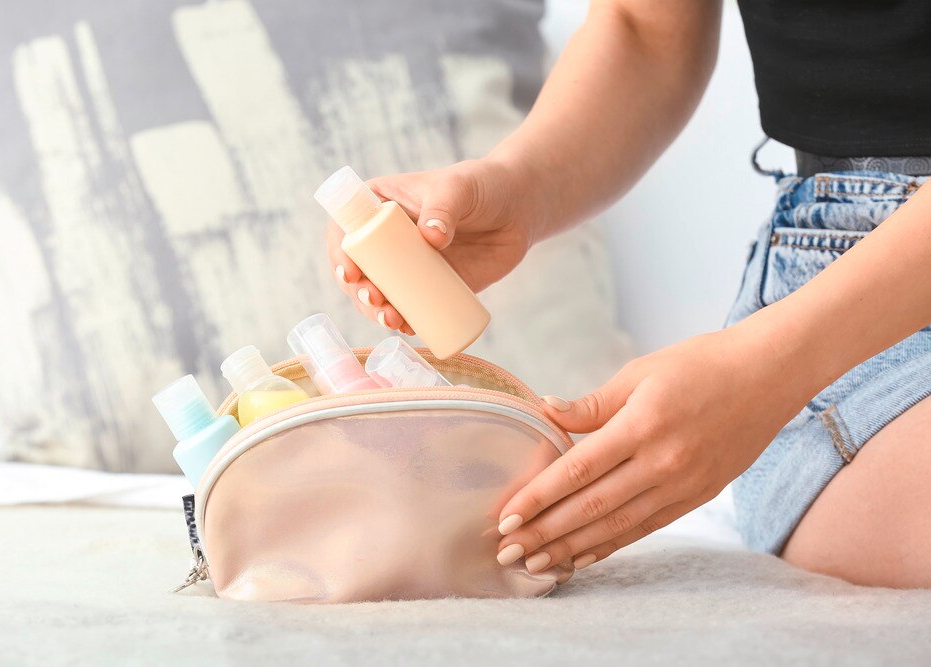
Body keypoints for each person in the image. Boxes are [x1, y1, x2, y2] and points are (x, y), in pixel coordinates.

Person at [324, 0, 931, 588]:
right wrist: (522, 186)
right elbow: (642, 26)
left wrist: (770, 367)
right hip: (853, 288)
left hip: (817, 333)